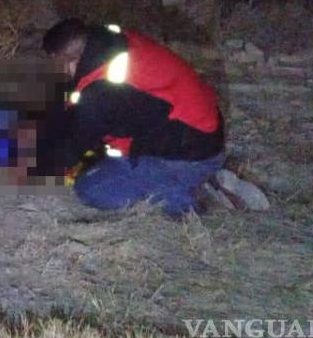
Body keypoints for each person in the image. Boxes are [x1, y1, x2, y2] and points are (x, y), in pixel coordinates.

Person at [41, 18, 228, 216]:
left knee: (91, 189)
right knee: (98, 158)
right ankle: (186, 178)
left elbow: (72, 147)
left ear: (71, 61)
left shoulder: (102, 92)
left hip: (191, 153)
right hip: (196, 128)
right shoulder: (109, 42)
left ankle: (184, 196)